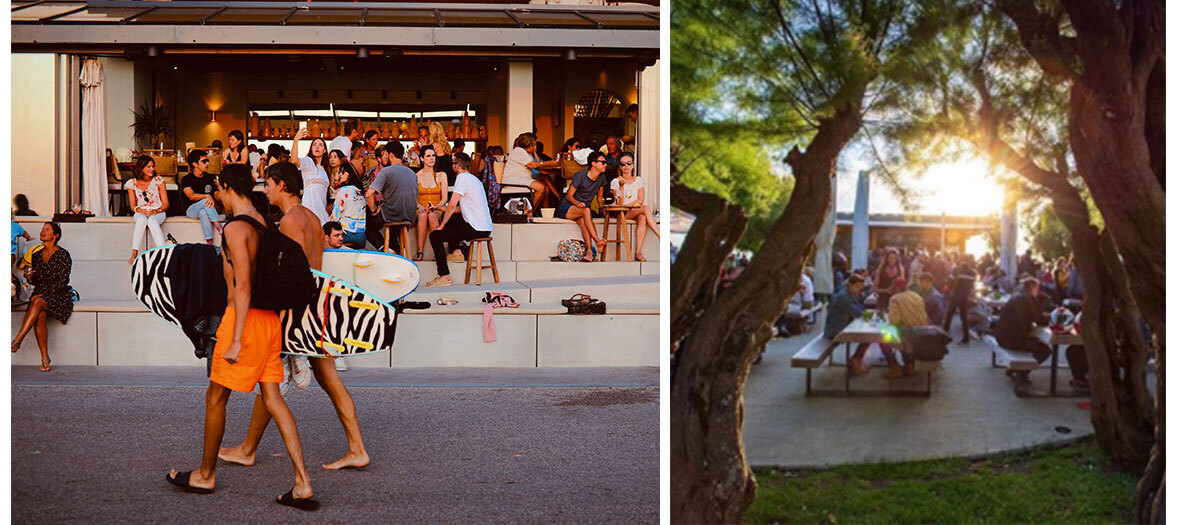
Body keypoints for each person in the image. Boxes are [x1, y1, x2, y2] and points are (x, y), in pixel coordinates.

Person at [166, 165, 318, 510]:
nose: (216, 196)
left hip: (244, 321)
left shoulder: (236, 228)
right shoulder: (264, 222)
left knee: (216, 397)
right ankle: (302, 483)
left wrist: (234, 339)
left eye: (217, 190)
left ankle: (205, 474)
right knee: (273, 399)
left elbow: (244, 285)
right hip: (268, 322)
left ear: (224, 187)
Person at [218, 162, 369, 474]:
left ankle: (247, 449)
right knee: (330, 381)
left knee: (269, 379)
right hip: (317, 308)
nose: (266, 191)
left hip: (297, 312)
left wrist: (279, 313)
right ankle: (357, 448)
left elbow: (289, 273)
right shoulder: (314, 218)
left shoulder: (289, 221)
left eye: (269, 185)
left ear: (282, 185)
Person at [995, 277, 1088, 391]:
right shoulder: (1028, 298)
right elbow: (1039, 320)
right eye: (1037, 289)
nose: (1038, 292)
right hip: (1012, 340)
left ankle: (1015, 370)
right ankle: (1021, 372)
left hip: (1003, 337)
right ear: (1033, 288)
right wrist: (1052, 319)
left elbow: (1034, 316)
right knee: (1045, 350)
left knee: (1037, 344)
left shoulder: (1018, 295)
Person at [11, 222, 71, 371]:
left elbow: (63, 281)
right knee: (40, 314)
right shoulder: (36, 256)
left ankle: (18, 339)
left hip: (59, 297)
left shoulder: (63, 254)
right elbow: (36, 281)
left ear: (55, 236)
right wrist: (29, 276)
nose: (42, 231)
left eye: (47, 229)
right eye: (42, 229)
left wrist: (43, 295)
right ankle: (45, 358)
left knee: (37, 302)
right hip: (40, 296)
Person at [425, 153, 492, 287]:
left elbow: (451, 205)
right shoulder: (474, 179)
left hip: (475, 228)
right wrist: (438, 208)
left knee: (435, 236)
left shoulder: (462, 178)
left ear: (458, 166)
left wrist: (441, 226)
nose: (452, 166)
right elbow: (460, 209)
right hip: (485, 228)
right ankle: (456, 251)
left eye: (453, 163)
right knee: (452, 218)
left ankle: (444, 275)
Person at [365, 141, 418, 252]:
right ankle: (395, 251)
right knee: (393, 226)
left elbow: (369, 194)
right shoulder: (412, 173)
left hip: (392, 215)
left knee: (365, 224)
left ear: (391, 155)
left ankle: (383, 249)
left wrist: (374, 210)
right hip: (409, 216)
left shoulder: (386, 171)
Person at [610, 152, 659, 261]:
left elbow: (640, 200)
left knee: (643, 217)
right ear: (620, 167)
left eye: (628, 163)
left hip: (634, 210)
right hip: (622, 212)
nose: (626, 166)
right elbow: (619, 202)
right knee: (645, 208)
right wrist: (622, 187)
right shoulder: (615, 182)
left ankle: (638, 253)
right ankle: (660, 236)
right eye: (623, 164)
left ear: (633, 165)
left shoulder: (639, 180)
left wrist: (630, 205)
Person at [561, 151, 609, 263]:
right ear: (593, 163)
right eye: (603, 162)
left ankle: (589, 252)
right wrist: (577, 203)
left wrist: (604, 210)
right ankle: (597, 241)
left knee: (583, 221)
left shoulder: (602, 178)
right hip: (568, 207)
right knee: (586, 210)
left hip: (583, 211)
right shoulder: (580, 176)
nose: (605, 165)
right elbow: (569, 196)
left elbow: (599, 198)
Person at [823, 274, 873, 374]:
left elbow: (861, 308)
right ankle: (855, 363)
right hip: (835, 331)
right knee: (868, 337)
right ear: (850, 284)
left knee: (868, 336)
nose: (859, 289)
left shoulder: (849, 294)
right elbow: (857, 313)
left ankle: (855, 361)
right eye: (857, 286)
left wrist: (866, 312)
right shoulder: (843, 296)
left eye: (860, 287)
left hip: (843, 327)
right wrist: (868, 314)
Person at [125, 156, 170, 265]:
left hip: (158, 211)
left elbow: (166, 204)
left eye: (153, 166)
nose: (152, 169)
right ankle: (134, 253)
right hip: (141, 212)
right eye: (148, 167)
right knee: (141, 220)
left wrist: (157, 211)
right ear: (141, 168)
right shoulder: (132, 183)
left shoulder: (159, 180)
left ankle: (163, 252)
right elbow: (132, 205)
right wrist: (139, 210)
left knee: (151, 221)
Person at [883, 278, 928, 378]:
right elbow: (924, 317)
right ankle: (909, 364)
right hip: (921, 332)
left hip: (906, 333)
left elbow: (894, 320)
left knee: (883, 339)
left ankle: (894, 367)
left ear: (898, 288)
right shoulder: (917, 296)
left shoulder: (895, 298)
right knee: (906, 341)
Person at [503, 132, 561, 209]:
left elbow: (537, 166)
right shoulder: (519, 151)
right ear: (529, 144)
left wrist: (535, 154)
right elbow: (533, 165)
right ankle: (529, 211)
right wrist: (550, 162)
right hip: (512, 179)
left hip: (522, 179)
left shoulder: (527, 154)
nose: (535, 147)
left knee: (546, 188)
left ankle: (542, 212)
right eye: (534, 145)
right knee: (541, 187)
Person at [181, 149, 224, 245]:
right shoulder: (186, 179)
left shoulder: (210, 177)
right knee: (205, 201)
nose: (207, 163)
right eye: (204, 161)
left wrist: (221, 189)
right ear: (195, 164)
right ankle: (220, 228)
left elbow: (217, 196)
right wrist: (206, 196)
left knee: (203, 212)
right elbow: (191, 196)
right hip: (191, 210)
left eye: (207, 161)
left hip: (206, 209)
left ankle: (209, 242)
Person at [413, 145, 449, 261]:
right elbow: (414, 198)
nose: (431, 158)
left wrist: (437, 206)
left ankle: (437, 252)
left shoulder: (441, 175)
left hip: (437, 208)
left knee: (432, 215)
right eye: (428, 156)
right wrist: (421, 207)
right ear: (422, 158)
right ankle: (420, 251)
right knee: (423, 214)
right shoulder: (416, 176)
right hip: (420, 208)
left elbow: (445, 198)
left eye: (433, 155)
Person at [289, 128, 330, 225]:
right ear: (311, 148)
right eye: (314, 145)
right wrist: (296, 140)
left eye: (320, 145)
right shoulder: (309, 162)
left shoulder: (325, 170)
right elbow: (294, 160)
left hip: (322, 212)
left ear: (324, 150)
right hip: (310, 209)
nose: (317, 147)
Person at [329, 162, 367, 249]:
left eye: (343, 172)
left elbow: (336, 216)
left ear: (350, 174)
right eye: (340, 172)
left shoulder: (344, 191)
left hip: (346, 234)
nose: (340, 175)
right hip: (361, 236)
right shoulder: (361, 193)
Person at [942, 255, 976, 344]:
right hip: (965, 297)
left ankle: (944, 334)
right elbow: (972, 285)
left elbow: (950, 282)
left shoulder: (956, 269)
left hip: (955, 296)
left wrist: (948, 290)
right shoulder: (973, 272)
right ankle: (966, 337)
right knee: (964, 318)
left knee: (949, 315)